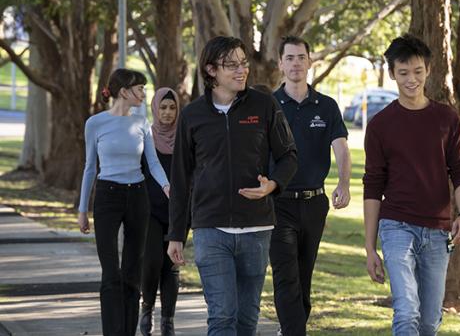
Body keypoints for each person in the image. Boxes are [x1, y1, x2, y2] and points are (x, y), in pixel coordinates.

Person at [167, 36, 298, 336]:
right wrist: (176, 234)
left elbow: (289, 155)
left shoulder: (264, 105)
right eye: (232, 65)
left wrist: (273, 186)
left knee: (245, 321)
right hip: (210, 229)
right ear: (211, 70)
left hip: (257, 229)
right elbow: (181, 178)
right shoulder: (192, 116)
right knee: (223, 315)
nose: (242, 71)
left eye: (243, 63)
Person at [362, 34, 460, 336]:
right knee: (407, 309)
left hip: (438, 232)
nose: (411, 79)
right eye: (403, 73)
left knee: (428, 320)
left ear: (427, 70)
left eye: (417, 72)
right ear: (392, 74)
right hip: (396, 226)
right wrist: (370, 247)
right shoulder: (379, 125)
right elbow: (372, 186)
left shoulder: (446, 119)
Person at [77, 68, 170, 336]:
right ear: (124, 91)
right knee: (110, 273)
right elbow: (89, 168)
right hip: (107, 197)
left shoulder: (141, 124)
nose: (143, 93)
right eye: (140, 88)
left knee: (132, 272)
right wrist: (83, 209)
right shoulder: (95, 123)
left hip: (137, 196)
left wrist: (166, 185)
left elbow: (152, 162)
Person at [270, 36, 352, 336]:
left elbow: (341, 149)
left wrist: (344, 184)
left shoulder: (327, 106)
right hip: (278, 203)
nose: (295, 63)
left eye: (300, 57)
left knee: (303, 277)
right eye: (289, 58)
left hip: (314, 203)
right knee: (285, 275)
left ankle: (292, 326)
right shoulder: (269, 105)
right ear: (280, 63)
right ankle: (294, 331)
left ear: (309, 62)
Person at [139, 88, 181, 336]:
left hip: (177, 211)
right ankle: (147, 309)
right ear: (155, 109)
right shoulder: (146, 137)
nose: (167, 113)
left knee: (171, 266)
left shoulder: (185, 139)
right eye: (163, 107)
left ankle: (168, 321)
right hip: (150, 210)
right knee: (152, 262)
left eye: (172, 107)